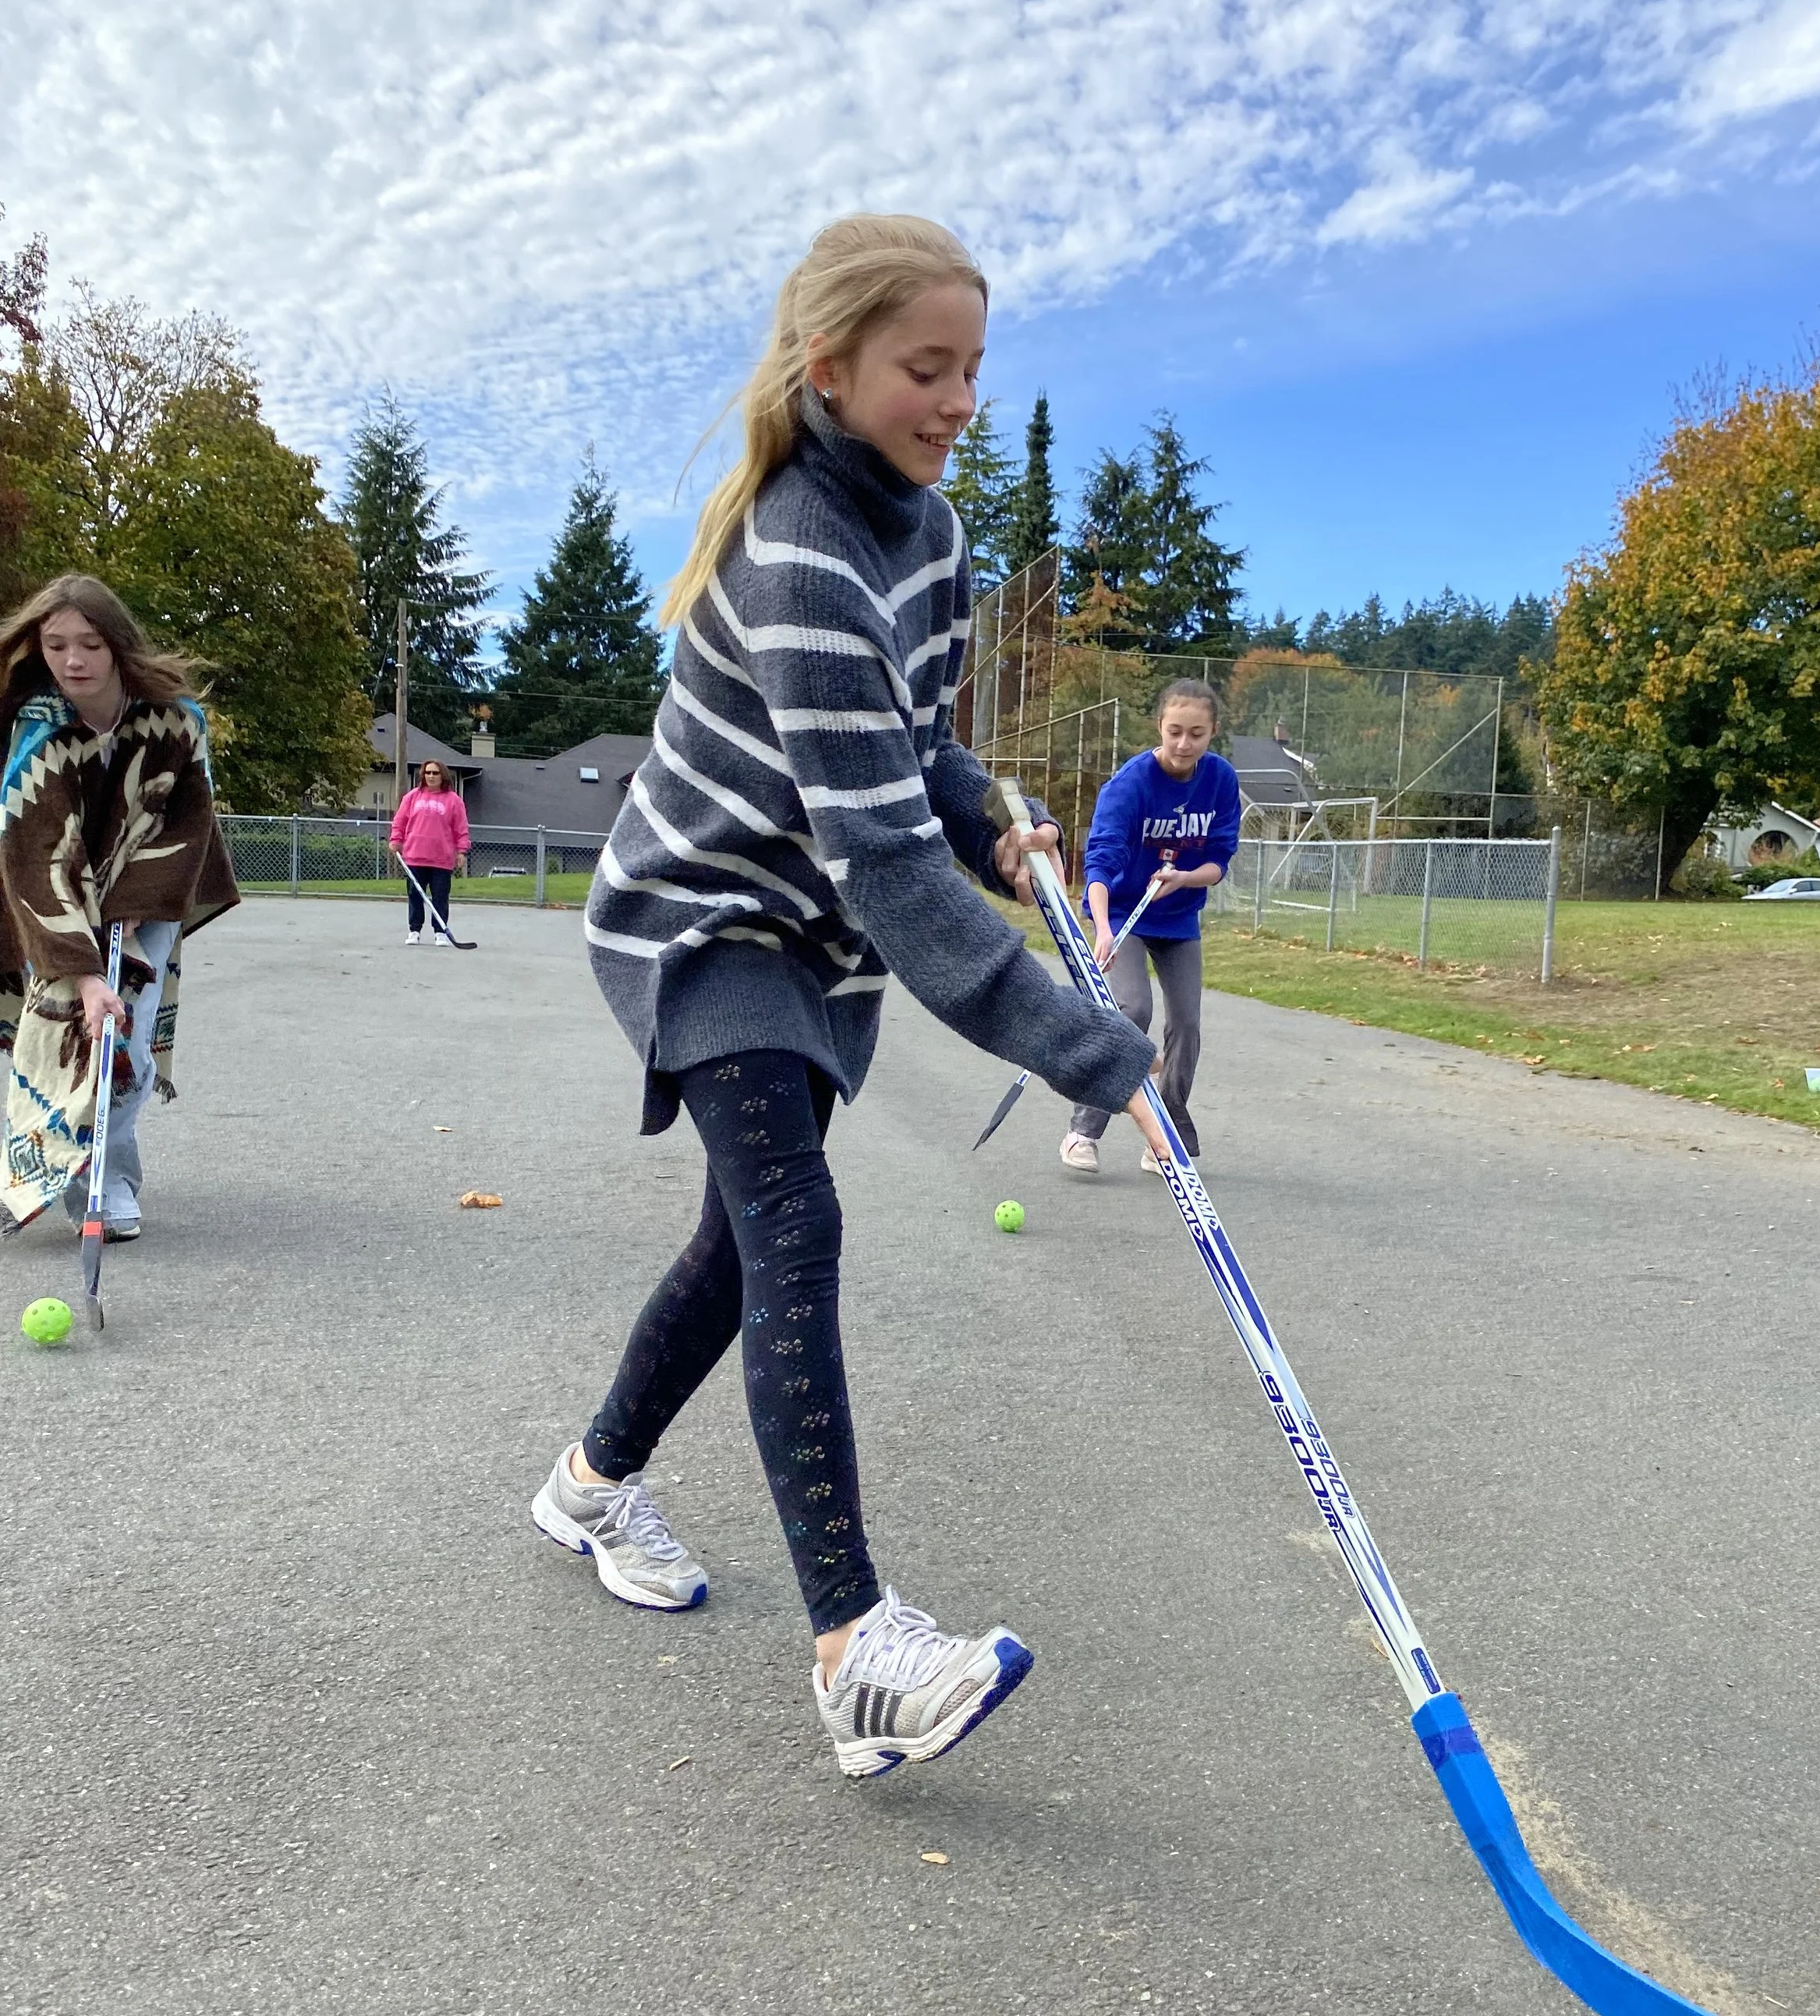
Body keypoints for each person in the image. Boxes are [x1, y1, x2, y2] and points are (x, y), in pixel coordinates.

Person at [535, 212, 1163, 1777]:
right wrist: (1082, 1042)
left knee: (737, 1243)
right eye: (922, 367)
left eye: (971, 368)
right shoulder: (800, 547)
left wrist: (984, 813)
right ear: (829, 368)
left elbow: (911, 753)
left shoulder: (936, 539)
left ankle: (592, 1479)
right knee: (794, 1219)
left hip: (812, 940)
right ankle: (852, 1649)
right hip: (703, 916)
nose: (953, 400)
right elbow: (875, 855)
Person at [0, 573, 238, 1242]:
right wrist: (84, 972)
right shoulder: (37, 723)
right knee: (63, 1032)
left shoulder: (178, 719)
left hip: (149, 898)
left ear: (118, 645)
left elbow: (191, 823)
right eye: (55, 645)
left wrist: (135, 906)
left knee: (121, 1040)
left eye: (90, 644)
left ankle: (109, 1184)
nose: (72, 661)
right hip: (54, 896)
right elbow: (35, 846)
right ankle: (58, 1173)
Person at [1060, 679, 1240, 1178]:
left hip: (1178, 917)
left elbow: (1219, 861)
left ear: (1212, 734)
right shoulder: (1130, 784)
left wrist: (1182, 878)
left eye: (1197, 734)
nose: (1184, 744)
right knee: (1131, 1009)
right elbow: (1099, 864)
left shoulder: (1221, 780)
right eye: (1175, 731)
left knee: (1187, 1026)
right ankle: (1084, 1130)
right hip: (1123, 915)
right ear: (1159, 727)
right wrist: (1101, 929)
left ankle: (1167, 1134)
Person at [389, 758, 470, 943]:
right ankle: (414, 931)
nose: (431, 776)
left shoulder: (454, 801)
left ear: (443, 776)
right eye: (428, 773)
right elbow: (400, 820)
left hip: (441, 858)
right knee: (415, 895)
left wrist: (461, 851)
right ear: (423, 775)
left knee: (440, 897)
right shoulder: (412, 797)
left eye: (435, 773)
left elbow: (461, 828)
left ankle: (440, 932)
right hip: (415, 856)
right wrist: (396, 840)